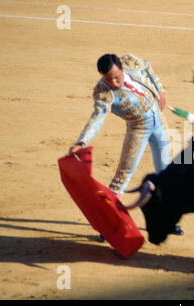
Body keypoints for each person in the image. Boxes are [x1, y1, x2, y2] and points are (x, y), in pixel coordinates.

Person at [68, 53, 183, 236]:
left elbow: (148, 67)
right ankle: (107, 223)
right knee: (122, 175)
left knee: (166, 173)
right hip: (138, 129)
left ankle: (168, 220)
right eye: (108, 79)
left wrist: (160, 90)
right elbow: (97, 118)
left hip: (159, 122)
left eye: (117, 77)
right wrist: (82, 141)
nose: (114, 82)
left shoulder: (131, 61)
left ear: (122, 68)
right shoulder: (102, 92)